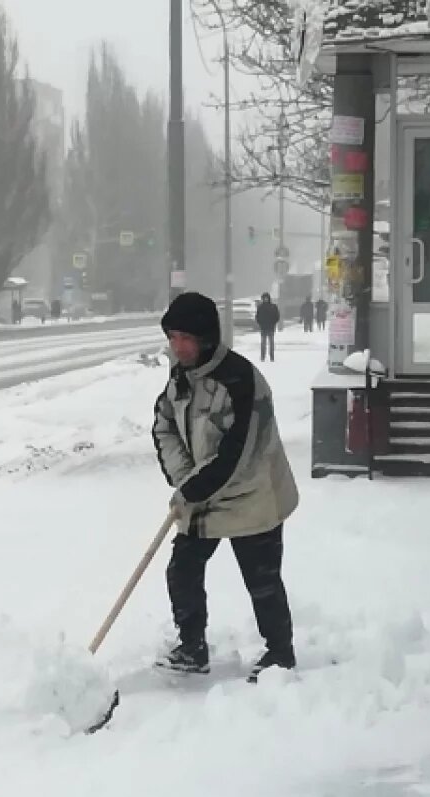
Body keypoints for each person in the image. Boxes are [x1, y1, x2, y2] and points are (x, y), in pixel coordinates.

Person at [151, 292, 300, 683]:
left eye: (187, 338)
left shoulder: (240, 381)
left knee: (262, 580)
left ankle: (280, 654)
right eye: (173, 337)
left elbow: (238, 453)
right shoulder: (182, 377)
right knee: (182, 570)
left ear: (206, 338)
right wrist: (186, 478)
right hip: (204, 493)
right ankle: (192, 647)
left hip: (253, 492)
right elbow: (165, 424)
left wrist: (192, 489)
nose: (179, 346)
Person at [255, 292, 280, 362]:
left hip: (271, 327)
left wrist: (273, 323)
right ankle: (262, 356)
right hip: (263, 327)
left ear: (269, 298)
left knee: (271, 343)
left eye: (267, 298)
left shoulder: (273, 306)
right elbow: (257, 317)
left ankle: (272, 356)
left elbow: (277, 316)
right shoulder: (260, 307)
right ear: (263, 299)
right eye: (264, 298)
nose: (266, 299)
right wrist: (260, 323)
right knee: (263, 343)